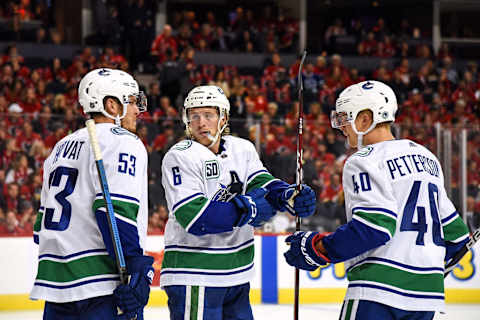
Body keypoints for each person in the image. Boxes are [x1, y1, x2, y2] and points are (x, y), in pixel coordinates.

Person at [284, 80, 470, 320]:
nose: (341, 127)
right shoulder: (427, 158)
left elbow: (374, 228)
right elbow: (457, 237)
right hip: (425, 298)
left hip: (376, 292)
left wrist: (317, 248)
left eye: (345, 118)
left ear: (365, 119)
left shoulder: (363, 160)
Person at [160, 85, 316, 320]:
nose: (201, 122)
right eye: (194, 116)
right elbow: (194, 218)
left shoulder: (241, 148)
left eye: (208, 115)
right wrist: (250, 209)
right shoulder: (180, 156)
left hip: (237, 274)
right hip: (195, 273)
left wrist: (286, 195)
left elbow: (262, 183)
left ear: (223, 117)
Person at [30, 68, 154, 320]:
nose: (137, 111)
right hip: (101, 287)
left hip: (56, 287)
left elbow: (38, 229)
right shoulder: (123, 141)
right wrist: (134, 266)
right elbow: (113, 212)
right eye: (130, 102)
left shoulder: (59, 147)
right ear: (111, 105)